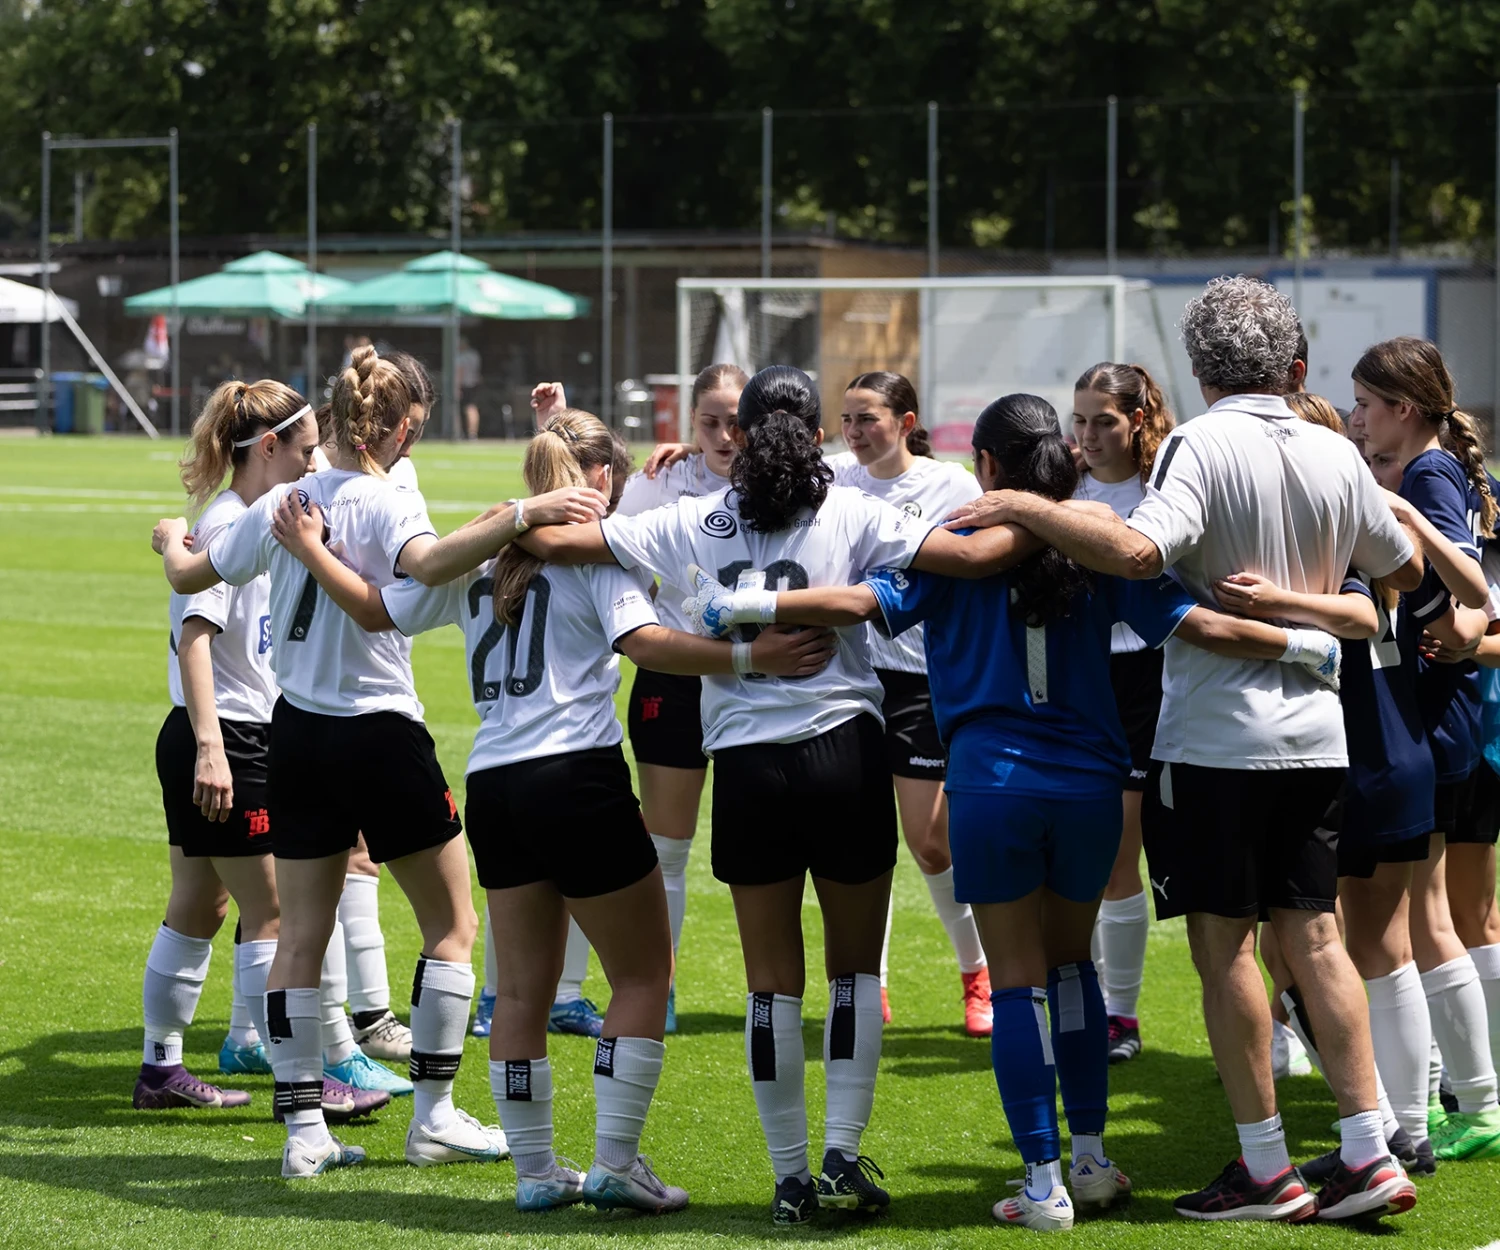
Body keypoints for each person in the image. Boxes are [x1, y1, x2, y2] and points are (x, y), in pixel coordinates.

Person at [681, 391, 1351, 1230]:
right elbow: (1197, 624)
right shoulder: (1098, 547)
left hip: (992, 786)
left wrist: (748, 607)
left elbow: (860, 603)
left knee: (1019, 985)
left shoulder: (954, 546)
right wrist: (1307, 641)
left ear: (988, 466)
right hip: (1090, 788)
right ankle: (1094, 1158)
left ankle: (1042, 1182)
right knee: (1077, 972)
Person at [513, 364, 1067, 1224]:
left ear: (738, 439)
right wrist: (1048, 511)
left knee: (771, 983)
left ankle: (787, 1178)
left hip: (744, 765)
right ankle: (842, 1160)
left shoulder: (691, 515)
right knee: (852, 974)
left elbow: (559, 547)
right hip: (844, 750)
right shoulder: (851, 507)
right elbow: (969, 558)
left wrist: (521, 511)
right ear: (817, 437)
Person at [944, 276, 1425, 1222]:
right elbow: (1400, 576)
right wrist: (1303, 605)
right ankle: (1371, 1150)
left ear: (1200, 372)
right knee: (1318, 938)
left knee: (1225, 952)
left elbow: (1137, 555)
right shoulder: (1336, 448)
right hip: (1320, 734)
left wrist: (1026, 510)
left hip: (1217, 740)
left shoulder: (1203, 442)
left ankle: (1265, 1167)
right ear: (1293, 368)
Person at [275, 406, 836, 1212]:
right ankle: (614, 1162)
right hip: (576, 777)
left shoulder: (478, 553)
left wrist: (309, 550)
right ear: (598, 479)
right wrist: (752, 654)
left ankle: (537, 1172)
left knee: (524, 992)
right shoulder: (594, 555)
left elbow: (378, 608)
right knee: (643, 974)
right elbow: (647, 646)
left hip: (495, 786)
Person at [151, 343, 608, 1178]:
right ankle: (431, 1114)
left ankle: (303, 1135)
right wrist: (517, 516)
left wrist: (172, 536)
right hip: (377, 732)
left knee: (296, 934)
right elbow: (427, 565)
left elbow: (187, 570)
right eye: (417, 429)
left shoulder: (284, 501)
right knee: (452, 927)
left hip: (294, 733)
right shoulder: (384, 500)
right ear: (401, 426)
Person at [134, 381, 319, 1113]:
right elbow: (194, 639)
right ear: (267, 448)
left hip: (221, 732)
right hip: (226, 735)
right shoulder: (227, 523)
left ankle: (161, 1070)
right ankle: (294, 1078)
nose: (313, 466)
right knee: (272, 910)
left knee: (201, 903)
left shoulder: (252, 517)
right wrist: (213, 746)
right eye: (304, 452)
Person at [1347, 336, 1500, 1162]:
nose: (1357, 417)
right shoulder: (1447, 470)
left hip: (1436, 716)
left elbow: (1463, 590)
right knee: (1438, 916)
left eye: (1366, 403)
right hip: (1445, 714)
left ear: (1404, 409)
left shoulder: (1432, 475)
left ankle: (1474, 1100)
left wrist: (1447, 628)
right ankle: (1462, 1089)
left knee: (1432, 918)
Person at [826, 371, 992, 1036]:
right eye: (847, 420)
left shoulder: (950, 484)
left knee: (930, 844)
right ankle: (870, 986)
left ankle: (977, 973)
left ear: (904, 420)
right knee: (861, 844)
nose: (857, 432)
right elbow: (754, 468)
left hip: (924, 681)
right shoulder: (837, 479)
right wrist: (684, 457)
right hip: (852, 678)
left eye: (868, 418)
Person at [1069, 362, 1175, 1066]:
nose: (1087, 435)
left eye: (1102, 420)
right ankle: (1079, 993)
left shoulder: (1167, 480)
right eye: (1079, 420)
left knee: (1120, 853)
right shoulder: (1060, 483)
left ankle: (1121, 1013)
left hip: (1147, 673)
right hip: (1076, 671)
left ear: (1137, 419)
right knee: (1074, 851)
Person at [458, 337, 482, 440]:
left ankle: (459, 433)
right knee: (473, 408)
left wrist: (457, 387)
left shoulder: (461, 357)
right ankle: (473, 433)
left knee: (465, 409)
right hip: (474, 384)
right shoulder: (475, 355)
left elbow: (460, 372)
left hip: (464, 385)